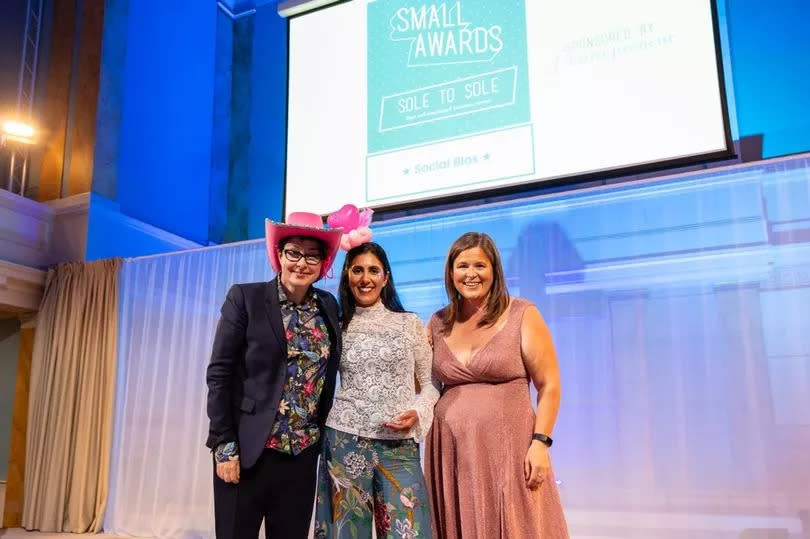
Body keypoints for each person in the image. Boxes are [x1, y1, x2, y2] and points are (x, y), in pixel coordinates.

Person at [205, 212, 343, 539]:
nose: (301, 262)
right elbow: (219, 375)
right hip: (249, 450)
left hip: (302, 454)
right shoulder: (245, 298)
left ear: (323, 264)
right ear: (279, 255)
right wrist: (224, 447)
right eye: (294, 252)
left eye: (312, 255)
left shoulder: (328, 306)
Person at [425, 232, 569, 539]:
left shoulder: (521, 314)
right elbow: (424, 386)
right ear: (451, 273)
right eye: (462, 265)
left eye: (480, 265)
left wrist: (540, 443)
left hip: (510, 449)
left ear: (495, 270)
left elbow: (550, 384)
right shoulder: (438, 322)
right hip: (451, 453)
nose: (471, 274)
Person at [314, 242, 439, 539]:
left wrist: (418, 412)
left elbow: (432, 383)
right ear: (347, 276)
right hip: (345, 441)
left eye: (373, 270)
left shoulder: (409, 324)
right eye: (357, 270)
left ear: (385, 277)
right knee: (346, 533)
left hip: (399, 444)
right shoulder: (337, 325)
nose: (365, 278)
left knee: (409, 531)